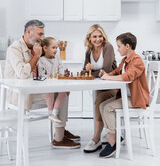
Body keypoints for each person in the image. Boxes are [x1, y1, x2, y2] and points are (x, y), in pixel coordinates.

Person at [5, 19, 80, 149]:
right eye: (40, 34)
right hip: (22, 93)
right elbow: (23, 74)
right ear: (29, 32)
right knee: (60, 93)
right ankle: (59, 137)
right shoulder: (14, 49)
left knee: (64, 90)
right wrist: (36, 56)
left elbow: (49, 67)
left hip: (37, 88)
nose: (42, 37)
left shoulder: (37, 47)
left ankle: (59, 130)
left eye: (43, 34)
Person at [98, 32, 149, 158]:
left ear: (127, 46)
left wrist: (109, 79)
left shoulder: (137, 60)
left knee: (107, 108)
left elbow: (128, 76)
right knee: (102, 105)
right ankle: (116, 135)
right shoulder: (125, 60)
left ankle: (112, 141)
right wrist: (107, 74)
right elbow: (117, 72)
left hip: (136, 99)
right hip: (128, 98)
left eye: (119, 46)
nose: (117, 49)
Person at [83, 24, 117, 153]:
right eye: (94, 36)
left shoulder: (108, 47)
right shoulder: (88, 51)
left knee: (99, 101)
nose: (98, 39)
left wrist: (90, 72)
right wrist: (88, 71)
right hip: (99, 86)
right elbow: (83, 71)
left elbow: (107, 70)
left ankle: (96, 138)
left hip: (113, 86)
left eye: (100, 36)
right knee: (98, 101)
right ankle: (106, 133)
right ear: (89, 38)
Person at [38, 37, 67, 124]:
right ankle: (51, 112)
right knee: (49, 89)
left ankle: (54, 113)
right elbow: (42, 75)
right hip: (47, 85)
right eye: (53, 47)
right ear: (45, 48)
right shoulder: (41, 60)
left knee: (64, 91)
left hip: (57, 84)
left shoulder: (57, 58)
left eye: (56, 48)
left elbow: (61, 71)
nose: (56, 50)